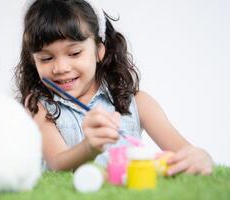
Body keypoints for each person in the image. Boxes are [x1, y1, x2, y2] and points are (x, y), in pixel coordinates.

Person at [15, 0, 213, 175]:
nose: (61, 68)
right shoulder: (39, 106)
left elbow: (184, 153)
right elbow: (57, 163)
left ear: (99, 50)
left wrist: (201, 156)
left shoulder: (139, 103)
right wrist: (89, 148)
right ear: (34, 61)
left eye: (74, 53)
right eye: (46, 58)